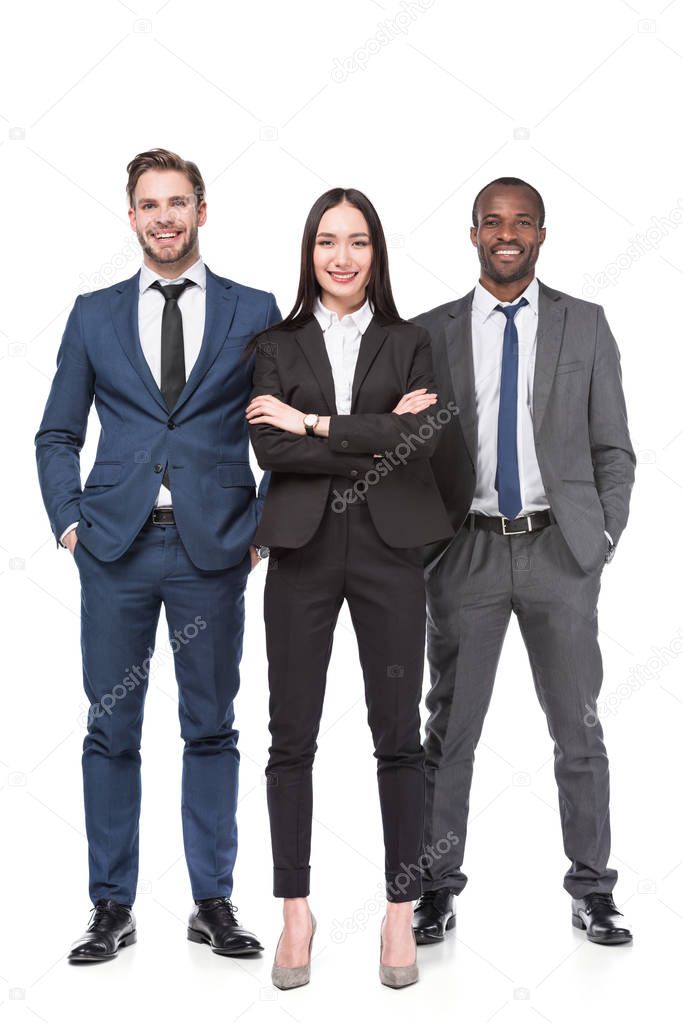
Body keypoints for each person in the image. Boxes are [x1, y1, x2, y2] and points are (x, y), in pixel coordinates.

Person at [35, 148, 281, 962]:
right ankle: (112, 905)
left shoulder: (255, 311)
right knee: (111, 730)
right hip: (115, 549)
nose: (165, 216)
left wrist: (261, 530)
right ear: (131, 214)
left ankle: (212, 900)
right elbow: (58, 432)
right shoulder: (93, 313)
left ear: (202, 212)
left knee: (210, 727)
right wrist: (69, 523)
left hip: (213, 551)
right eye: (150, 204)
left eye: (179, 202)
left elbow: (283, 432)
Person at [411, 176, 636, 948]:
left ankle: (593, 890)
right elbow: (406, 449)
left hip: (559, 551)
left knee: (578, 728)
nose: (507, 234)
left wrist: (600, 540)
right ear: (472, 233)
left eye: (522, 222)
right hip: (464, 549)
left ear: (540, 234)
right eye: (492, 222)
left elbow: (613, 448)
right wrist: (424, 544)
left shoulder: (585, 324)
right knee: (449, 730)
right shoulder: (428, 332)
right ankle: (434, 889)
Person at [245, 187, 454, 988]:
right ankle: (294, 908)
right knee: (290, 734)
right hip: (298, 546)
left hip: (389, 548)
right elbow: (272, 452)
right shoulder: (274, 342)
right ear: (308, 251)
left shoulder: (411, 341)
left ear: (376, 252)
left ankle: (400, 909)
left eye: (357, 241)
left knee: (397, 733)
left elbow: (420, 439)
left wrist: (316, 422)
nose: (341, 256)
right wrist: (367, 433)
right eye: (327, 241)